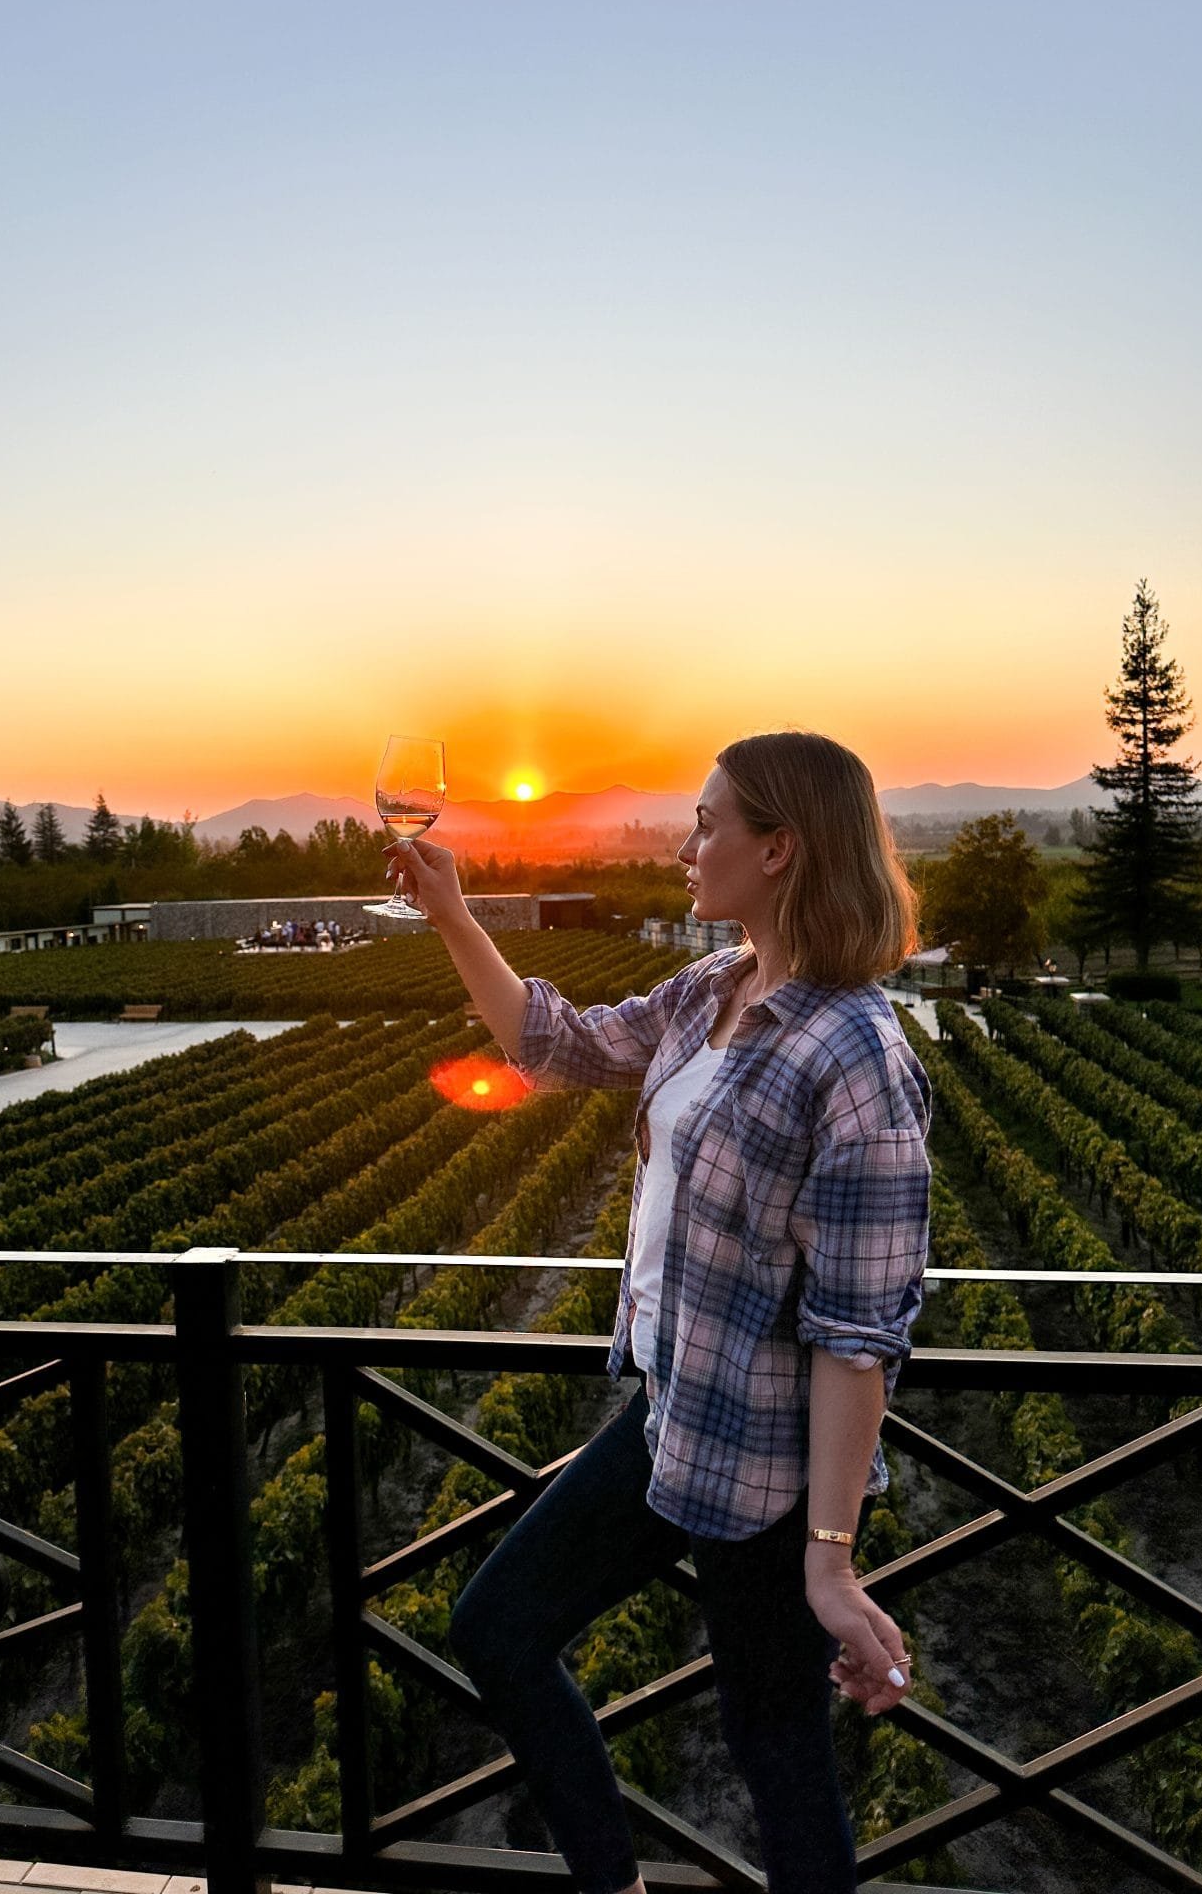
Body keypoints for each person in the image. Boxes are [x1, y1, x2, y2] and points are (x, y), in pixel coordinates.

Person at [385, 731, 930, 1894]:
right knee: (499, 1629)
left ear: (779, 850)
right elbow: (558, 1045)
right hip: (675, 1417)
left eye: (707, 824)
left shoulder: (860, 1058)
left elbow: (858, 1334)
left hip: (772, 1477)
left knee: (775, 1750)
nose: (685, 847)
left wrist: (829, 1560)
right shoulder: (714, 987)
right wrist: (452, 915)